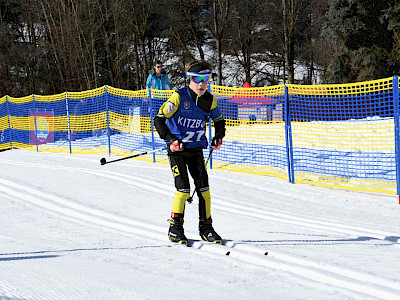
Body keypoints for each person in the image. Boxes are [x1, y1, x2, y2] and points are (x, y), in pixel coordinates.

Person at [154, 60, 226, 244]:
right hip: (178, 151)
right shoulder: (178, 97)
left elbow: (219, 121)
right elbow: (159, 120)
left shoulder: (209, 100)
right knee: (183, 189)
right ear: (189, 80)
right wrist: (171, 140)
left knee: (204, 189)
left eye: (205, 79)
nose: (201, 84)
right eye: (197, 79)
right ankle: (175, 228)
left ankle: (206, 228)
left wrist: (218, 137)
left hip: (196, 151)